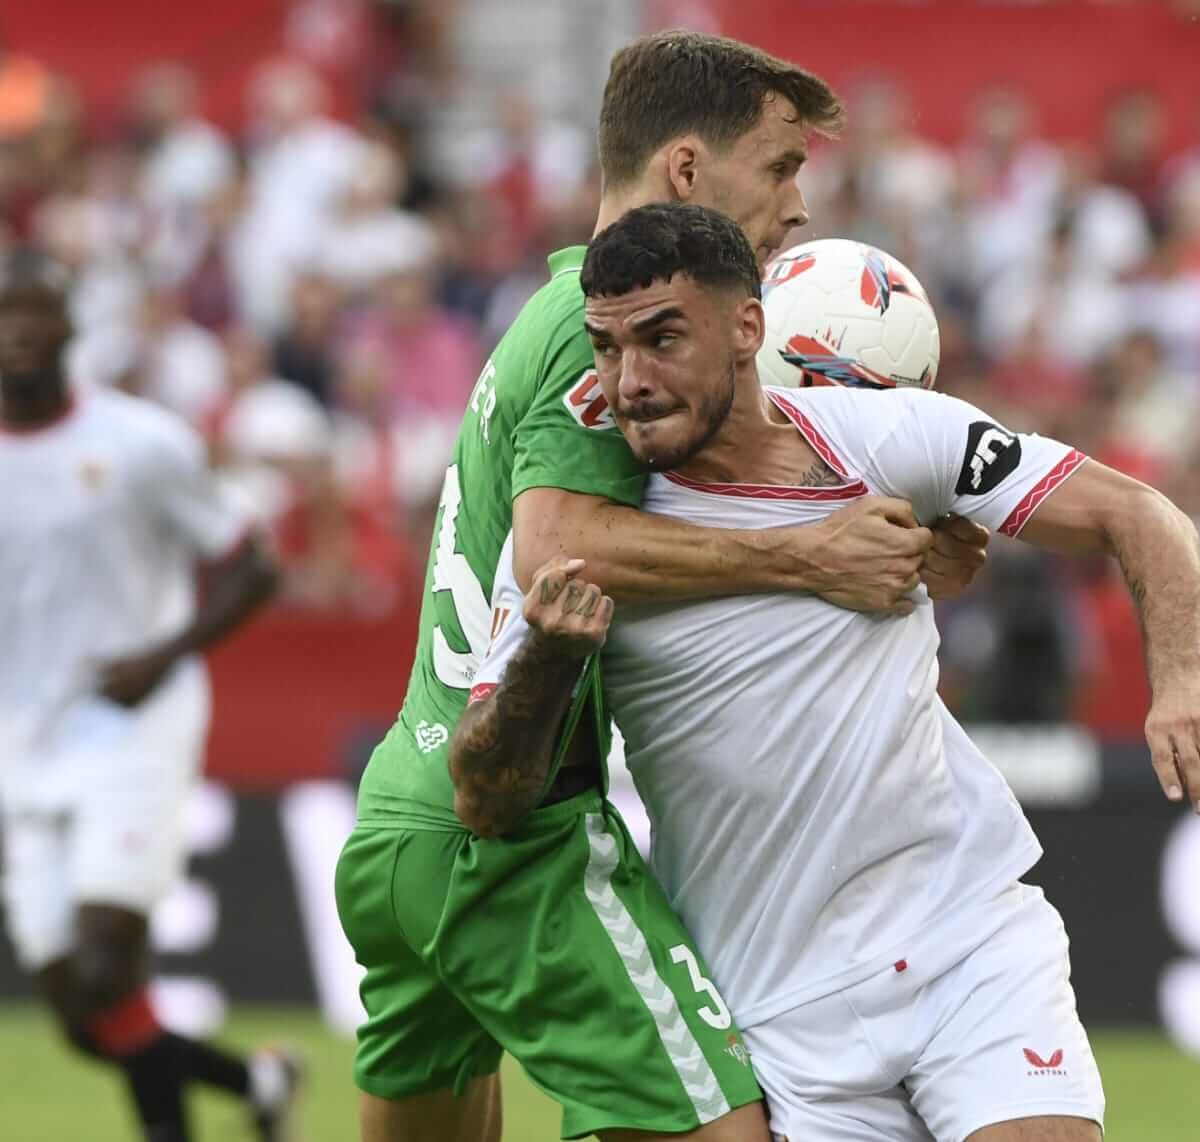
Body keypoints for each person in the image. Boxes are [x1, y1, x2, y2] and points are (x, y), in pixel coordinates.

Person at [465, 203, 1200, 1142]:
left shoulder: (879, 440)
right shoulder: (583, 539)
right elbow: (482, 795)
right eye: (606, 349)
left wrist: (1182, 678)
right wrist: (548, 662)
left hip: (964, 939)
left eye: (663, 338)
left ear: (749, 329)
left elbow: (1139, 514)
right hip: (772, 998)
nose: (630, 380)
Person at [333, 31, 986, 1142]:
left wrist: (883, 542)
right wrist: (810, 552)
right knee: (725, 1128)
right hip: (507, 828)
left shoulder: (553, 315)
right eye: (781, 167)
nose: (797, 207)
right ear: (687, 169)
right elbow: (558, 551)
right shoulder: (610, 346)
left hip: (407, 812)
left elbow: (664, 536)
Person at [0, 254, 295, 1141]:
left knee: (101, 963)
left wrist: (164, 656)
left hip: (134, 725)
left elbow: (255, 564)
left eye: (35, 311)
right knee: (81, 1015)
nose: (17, 329)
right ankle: (257, 1083)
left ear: (68, 328)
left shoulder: (138, 444)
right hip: (27, 740)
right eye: (3, 313)